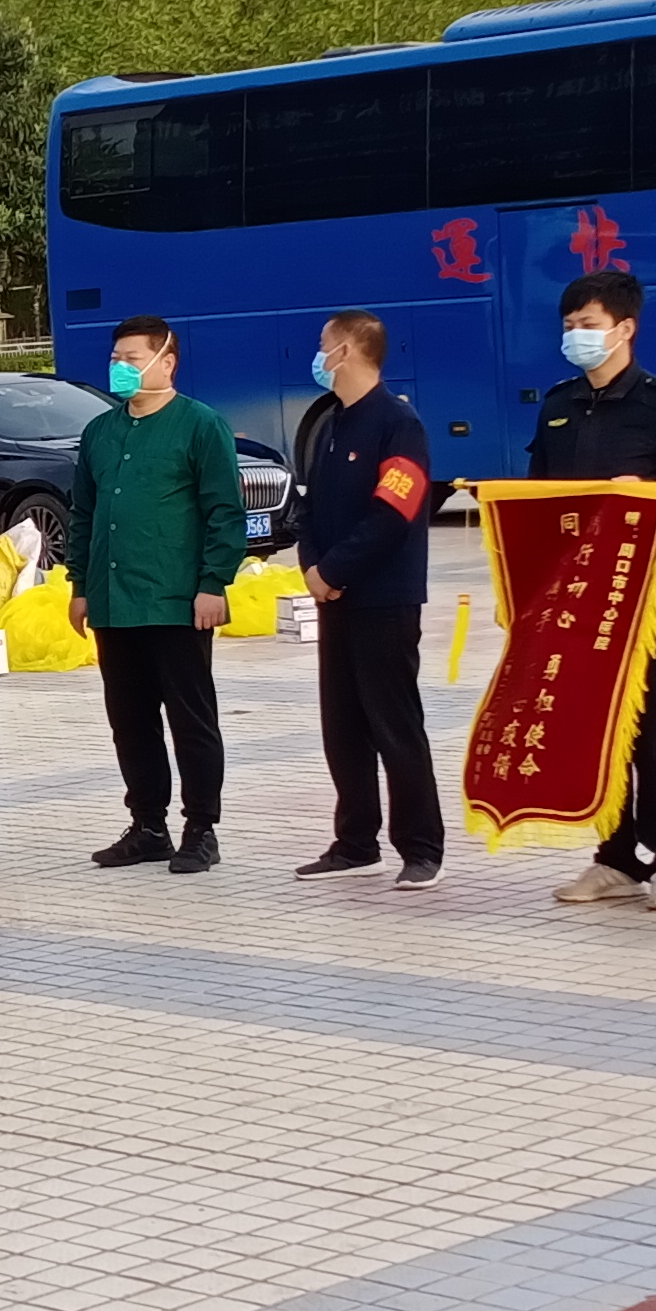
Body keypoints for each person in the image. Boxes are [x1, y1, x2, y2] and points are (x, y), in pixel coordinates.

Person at [526, 270, 656, 911]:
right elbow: (538, 499)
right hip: (578, 603)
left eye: (587, 325)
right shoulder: (558, 405)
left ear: (624, 329)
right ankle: (614, 858)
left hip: (643, 598)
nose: (576, 336)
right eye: (569, 326)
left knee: (654, 732)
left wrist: (653, 495)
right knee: (599, 731)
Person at [65, 318, 247, 874]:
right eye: (115, 358)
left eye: (132, 358)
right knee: (130, 720)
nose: (120, 367)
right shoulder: (100, 432)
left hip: (175, 601)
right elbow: (83, 514)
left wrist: (213, 582)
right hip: (113, 602)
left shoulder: (200, 425)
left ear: (166, 362)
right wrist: (80, 585)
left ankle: (201, 828)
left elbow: (225, 511)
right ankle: (148, 825)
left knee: (191, 719)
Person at [290, 313, 447, 886]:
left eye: (324, 345)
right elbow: (308, 508)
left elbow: (394, 512)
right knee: (343, 725)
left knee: (394, 724)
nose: (318, 355)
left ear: (349, 351)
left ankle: (421, 847)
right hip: (334, 599)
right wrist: (313, 566)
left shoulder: (397, 424)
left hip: (384, 599)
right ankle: (355, 841)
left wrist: (335, 569)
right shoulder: (331, 424)